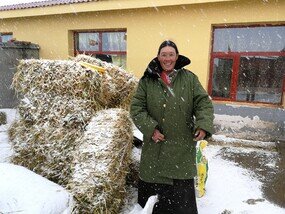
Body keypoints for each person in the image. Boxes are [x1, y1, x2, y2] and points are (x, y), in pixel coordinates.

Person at [130, 40, 214, 214]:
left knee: (181, 203)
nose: (167, 58)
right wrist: (150, 129)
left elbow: (203, 103)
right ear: (158, 57)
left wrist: (203, 125)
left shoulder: (189, 78)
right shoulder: (147, 80)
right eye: (164, 54)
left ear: (177, 57)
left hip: (181, 147)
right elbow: (137, 108)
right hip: (155, 148)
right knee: (153, 203)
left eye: (171, 54)